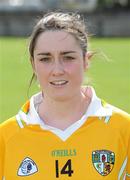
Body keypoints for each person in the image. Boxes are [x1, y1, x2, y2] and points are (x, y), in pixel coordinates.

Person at [0, 12, 130, 180]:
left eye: (68, 57)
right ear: (33, 64)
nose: (57, 70)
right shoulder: (6, 137)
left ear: (86, 60)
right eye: (45, 59)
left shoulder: (123, 129)